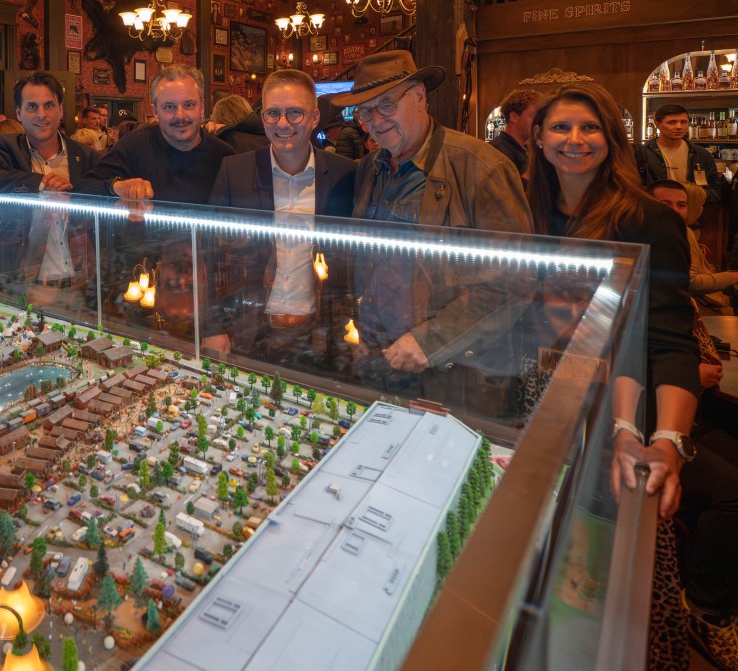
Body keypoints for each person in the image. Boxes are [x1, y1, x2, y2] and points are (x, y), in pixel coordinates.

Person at [526, 81, 697, 524]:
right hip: (547, 397)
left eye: (590, 127)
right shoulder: (531, 211)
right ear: (539, 136)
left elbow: (670, 339)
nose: (575, 139)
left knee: (597, 534)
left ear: (611, 138)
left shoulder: (649, 219)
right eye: (561, 127)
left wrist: (668, 440)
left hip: (618, 406)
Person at [332, 50, 533, 409]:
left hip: (451, 375)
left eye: (387, 105)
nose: (376, 121)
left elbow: (512, 283)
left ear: (420, 97)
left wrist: (430, 342)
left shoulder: (481, 168)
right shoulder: (370, 168)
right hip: (379, 360)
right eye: (365, 111)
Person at [205, 70, 357, 364]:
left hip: (322, 332)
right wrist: (213, 326)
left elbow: (354, 260)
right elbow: (211, 253)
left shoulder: (344, 174)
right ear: (262, 118)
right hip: (250, 330)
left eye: (294, 113)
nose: (283, 123)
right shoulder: (235, 171)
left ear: (314, 117)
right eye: (273, 113)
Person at [0, 72, 102, 309]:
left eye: (49, 105)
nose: (41, 114)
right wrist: (39, 183)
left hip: (76, 285)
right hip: (17, 283)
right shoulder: (6, 148)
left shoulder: (85, 155)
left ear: (61, 110)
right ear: (19, 113)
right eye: (32, 107)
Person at [76, 64, 234, 204]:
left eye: (189, 105)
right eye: (169, 107)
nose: (180, 115)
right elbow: (82, 189)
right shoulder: (134, 146)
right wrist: (116, 186)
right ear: (155, 112)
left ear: (202, 108)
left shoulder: (224, 156)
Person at [650, 179, 738, 315]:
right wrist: (733, 276)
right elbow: (691, 282)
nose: (674, 210)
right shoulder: (683, 232)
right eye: (665, 204)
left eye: (681, 205)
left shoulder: (667, 231)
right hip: (701, 307)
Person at [635, 104, 722, 202]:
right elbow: (634, 190)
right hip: (656, 209)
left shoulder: (701, 154)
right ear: (657, 125)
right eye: (672, 122)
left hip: (690, 209)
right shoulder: (643, 153)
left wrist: (693, 194)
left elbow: (715, 191)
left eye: (683, 122)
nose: (679, 127)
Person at [489, 88, 540, 176]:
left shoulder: (523, 148)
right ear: (514, 117)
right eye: (533, 116)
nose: (538, 122)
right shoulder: (500, 151)